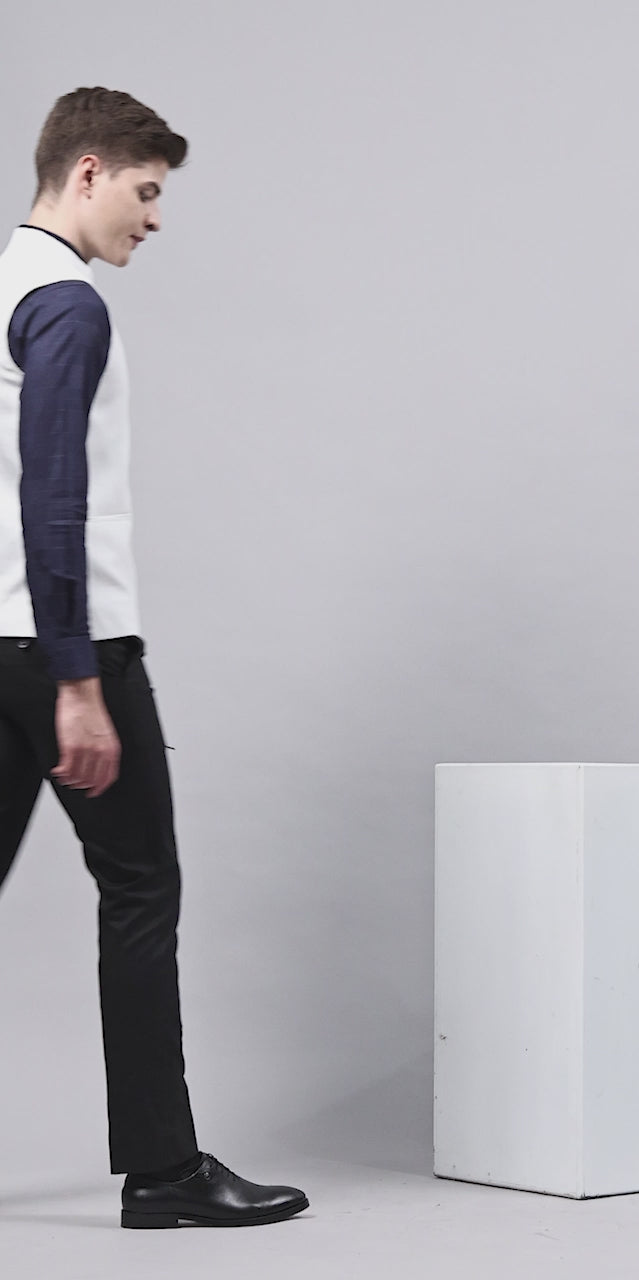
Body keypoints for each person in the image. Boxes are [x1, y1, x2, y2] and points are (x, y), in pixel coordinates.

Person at [0, 86, 309, 1230]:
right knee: (140, 889)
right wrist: (80, 679)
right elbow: (54, 494)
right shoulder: (66, 303)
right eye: (146, 189)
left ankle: (165, 1164)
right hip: (62, 649)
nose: (155, 216)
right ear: (86, 172)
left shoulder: (3, 284)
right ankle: (165, 1169)